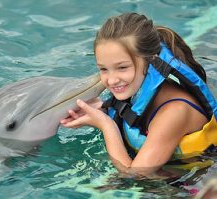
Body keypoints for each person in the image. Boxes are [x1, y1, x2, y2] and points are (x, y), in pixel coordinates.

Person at [60, 13, 217, 175]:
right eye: (104, 69)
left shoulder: (175, 112)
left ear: (151, 61)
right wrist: (102, 110)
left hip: (196, 182)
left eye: (122, 68)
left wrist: (106, 125)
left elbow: (134, 175)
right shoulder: (137, 88)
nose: (112, 80)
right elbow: (130, 113)